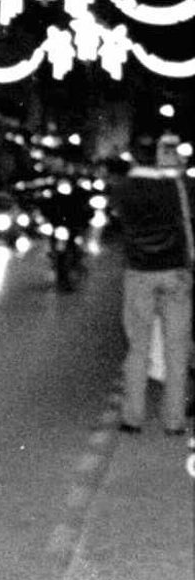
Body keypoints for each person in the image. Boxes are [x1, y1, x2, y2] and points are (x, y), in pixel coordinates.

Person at [109, 133, 193, 435]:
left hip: (139, 273)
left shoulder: (122, 189)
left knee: (138, 347)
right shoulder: (176, 186)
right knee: (176, 347)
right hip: (175, 273)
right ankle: (174, 421)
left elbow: (119, 224)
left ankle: (133, 417)